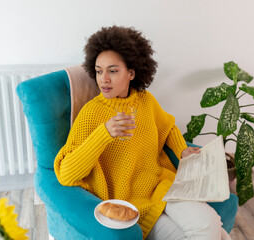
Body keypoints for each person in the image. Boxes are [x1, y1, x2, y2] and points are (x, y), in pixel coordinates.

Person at [54, 26, 230, 240]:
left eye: (113, 70)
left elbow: (167, 127)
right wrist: (105, 133)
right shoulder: (92, 113)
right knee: (216, 233)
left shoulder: (145, 100)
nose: (104, 79)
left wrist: (181, 150)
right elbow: (66, 174)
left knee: (209, 225)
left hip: (162, 186)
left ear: (131, 72)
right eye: (99, 71)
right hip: (132, 203)